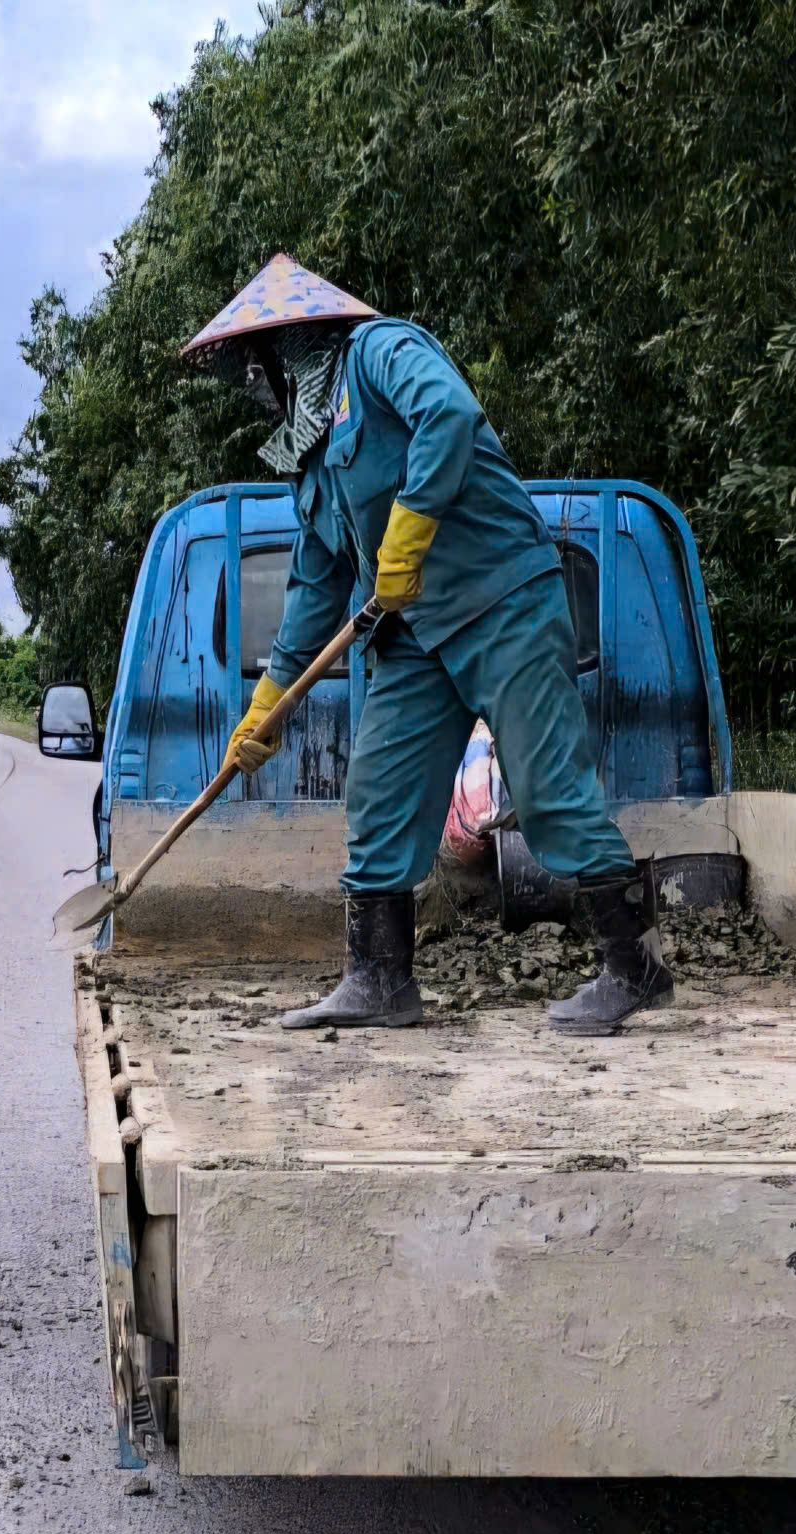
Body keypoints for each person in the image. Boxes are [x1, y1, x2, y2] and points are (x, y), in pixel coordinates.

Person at [186, 254, 672, 1036]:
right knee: (379, 796)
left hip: (502, 599)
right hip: (408, 636)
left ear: (293, 348)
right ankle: (379, 981)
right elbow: (314, 592)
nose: (253, 388)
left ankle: (632, 966)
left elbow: (448, 417)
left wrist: (407, 537)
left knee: (547, 794)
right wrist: (265, 709)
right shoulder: (311, 468)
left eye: (255, 369)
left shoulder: (381, 354)